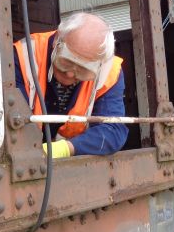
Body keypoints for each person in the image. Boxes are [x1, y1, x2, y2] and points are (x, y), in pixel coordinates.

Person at [13, 13, 128, 157]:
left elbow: (112, 131)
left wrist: (66, 149)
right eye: (66, 62)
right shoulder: (21, 55)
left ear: (100, 63)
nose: (70, 74)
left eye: (83, 69)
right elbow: (12, 123)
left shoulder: (109, 71)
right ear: (57, 40)